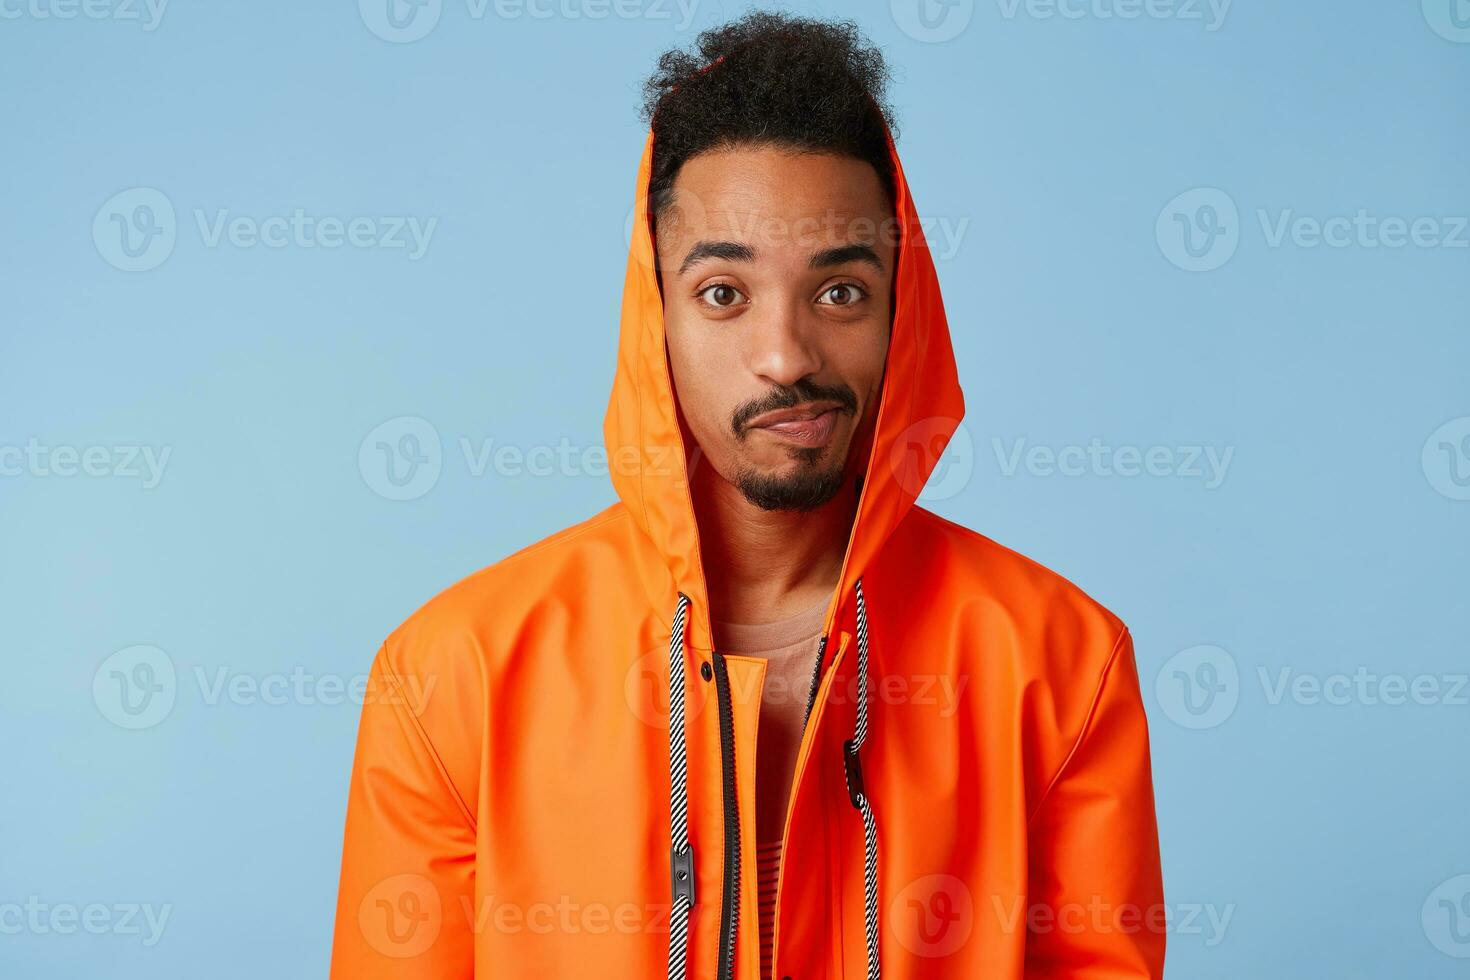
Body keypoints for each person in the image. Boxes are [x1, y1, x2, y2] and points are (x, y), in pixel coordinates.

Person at [330, 11, 1165, 979]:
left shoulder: (1059, 663)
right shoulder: (454, 673)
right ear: (659, 316)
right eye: (724, 291)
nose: (786, 355)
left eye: (841, 290)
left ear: (905, 306)